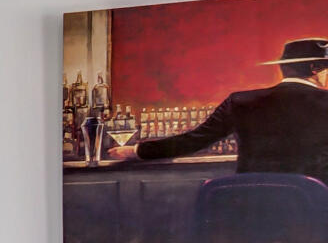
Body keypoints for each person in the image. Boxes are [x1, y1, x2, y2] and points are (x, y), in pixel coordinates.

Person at [133, 37, 328, 181]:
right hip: (314, 202)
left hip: (254, 202)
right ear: (314, 68)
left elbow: (193, 140)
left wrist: (137, 150)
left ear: (284, 68)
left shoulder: (240, 101)